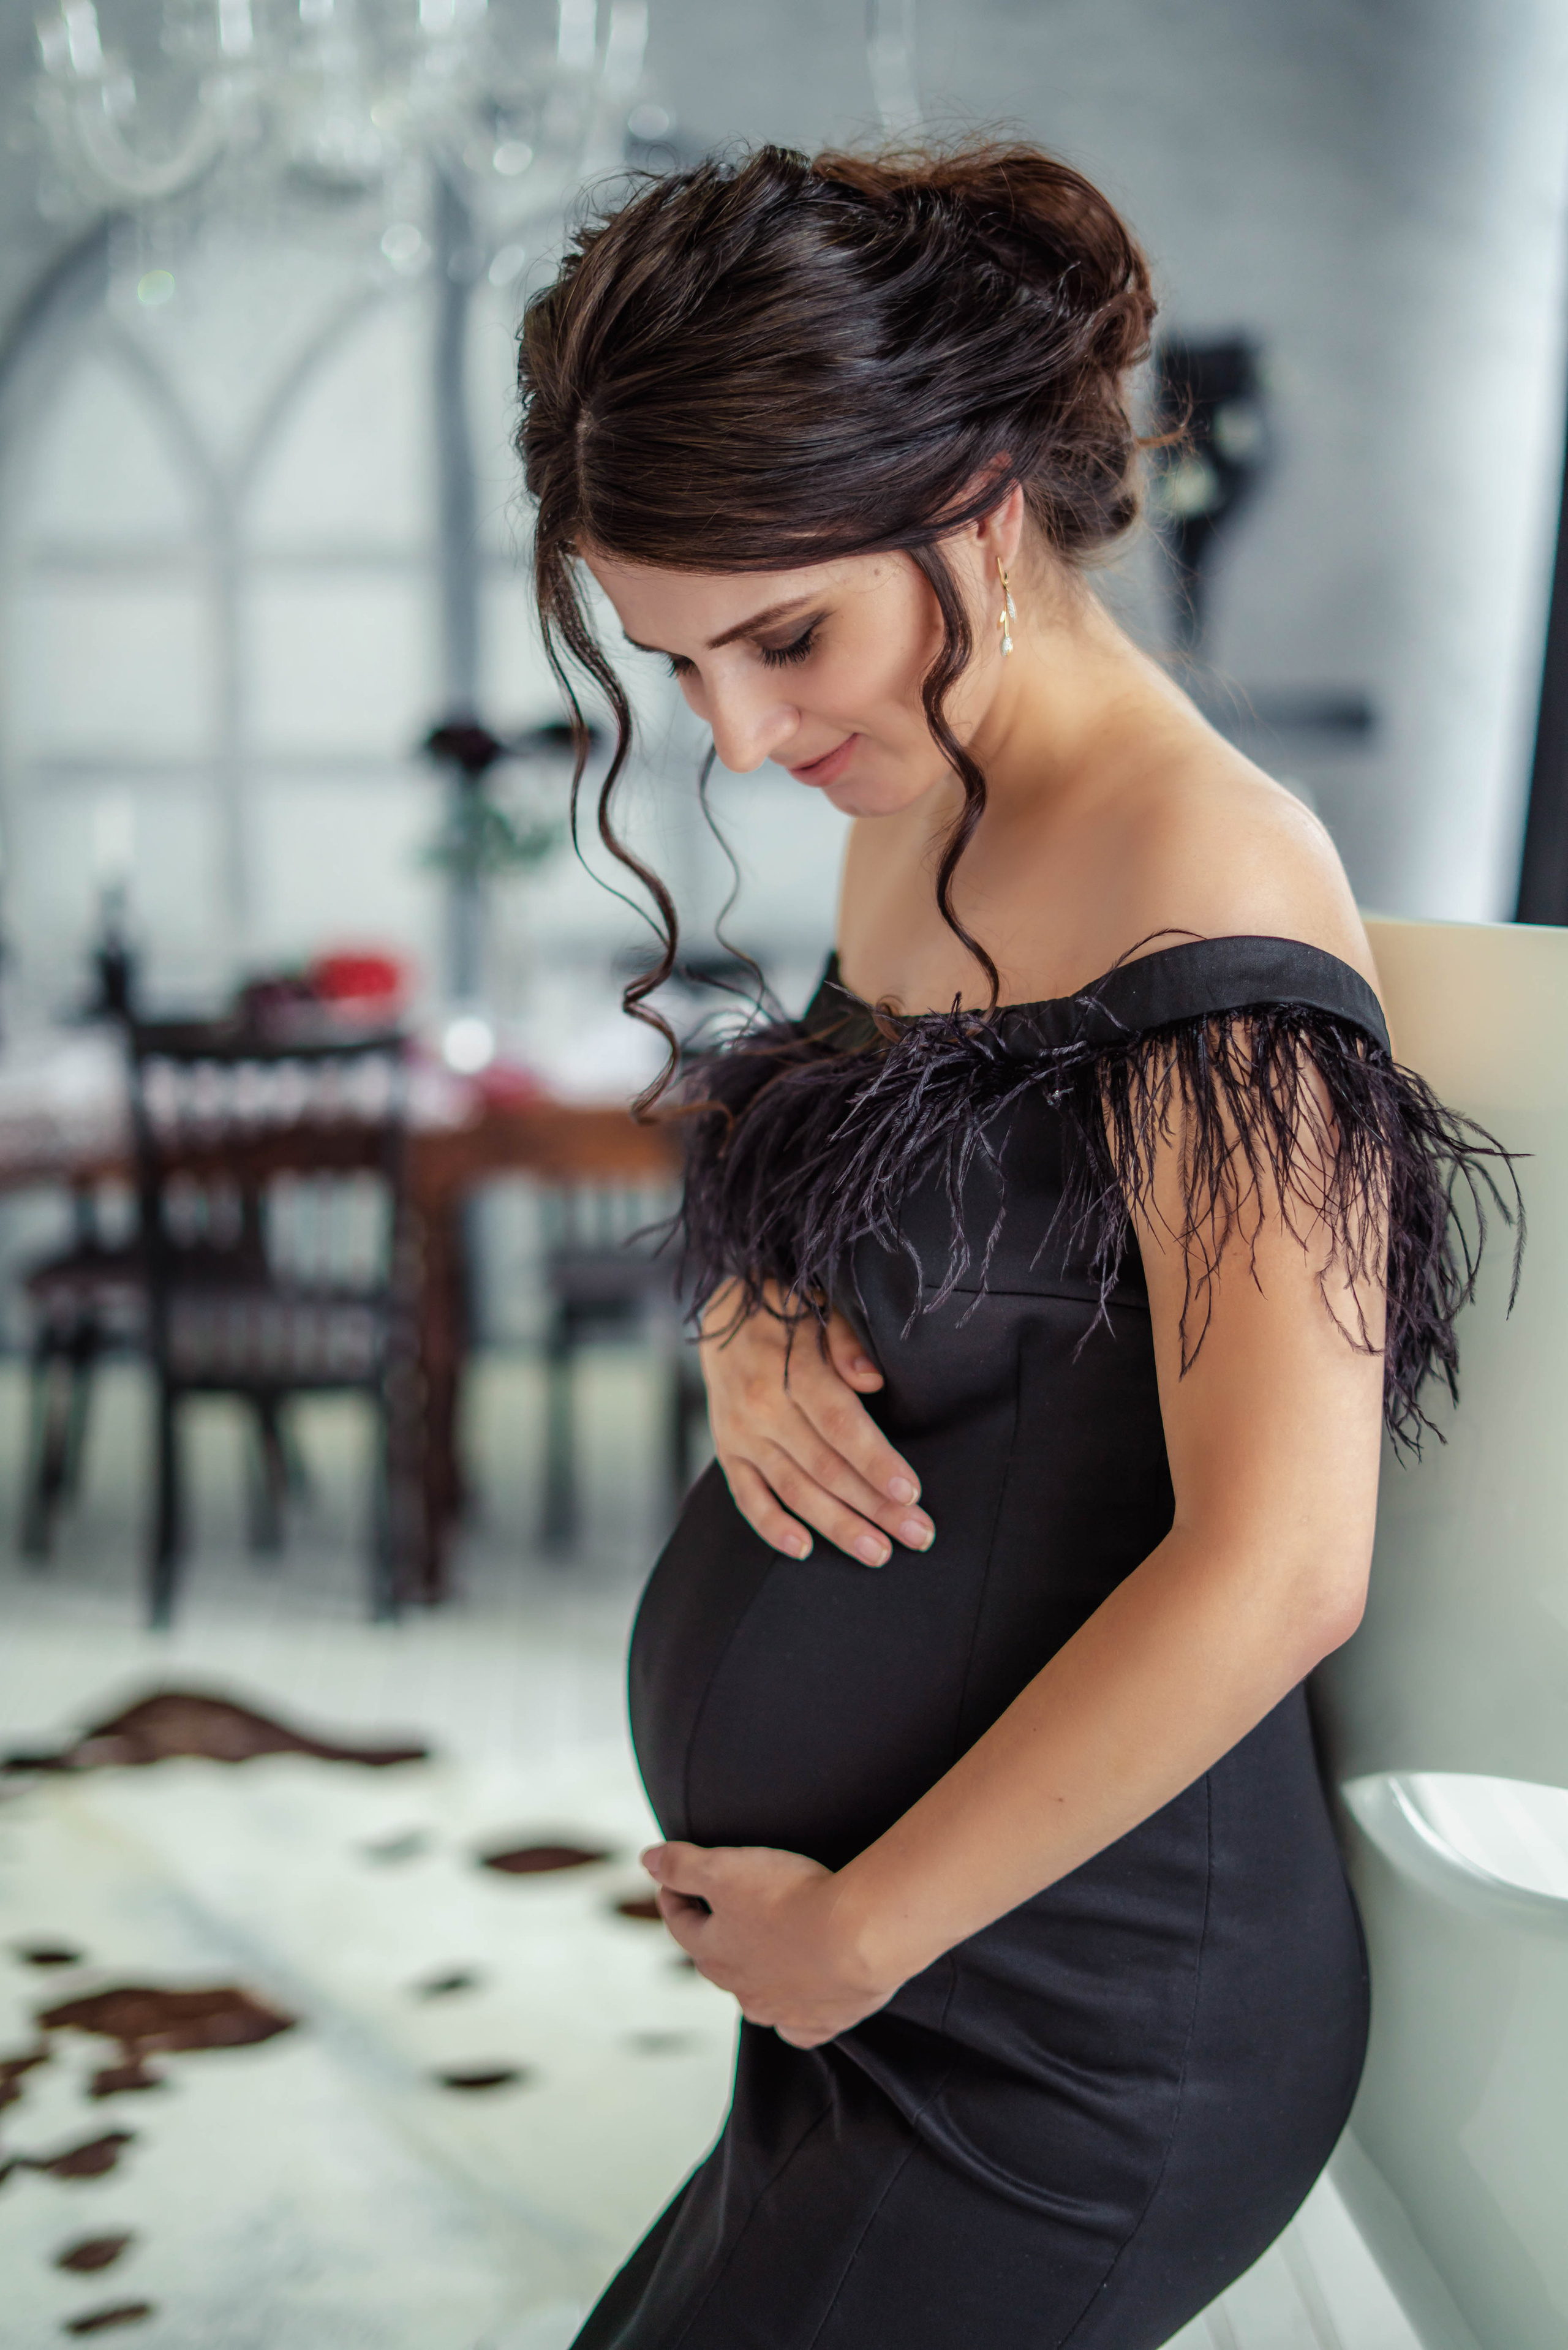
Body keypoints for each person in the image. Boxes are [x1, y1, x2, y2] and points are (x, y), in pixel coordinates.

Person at [516, 140, 1516, 2350]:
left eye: (785, 639)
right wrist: (762, 1312)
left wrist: (862, 1937)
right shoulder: (932, 816)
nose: (745, 741)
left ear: (976, 497)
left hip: (1072, 2023)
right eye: (681, 667)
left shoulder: (1213, 880)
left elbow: (1284, 1560)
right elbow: (909, 1215)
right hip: (880, 1986)